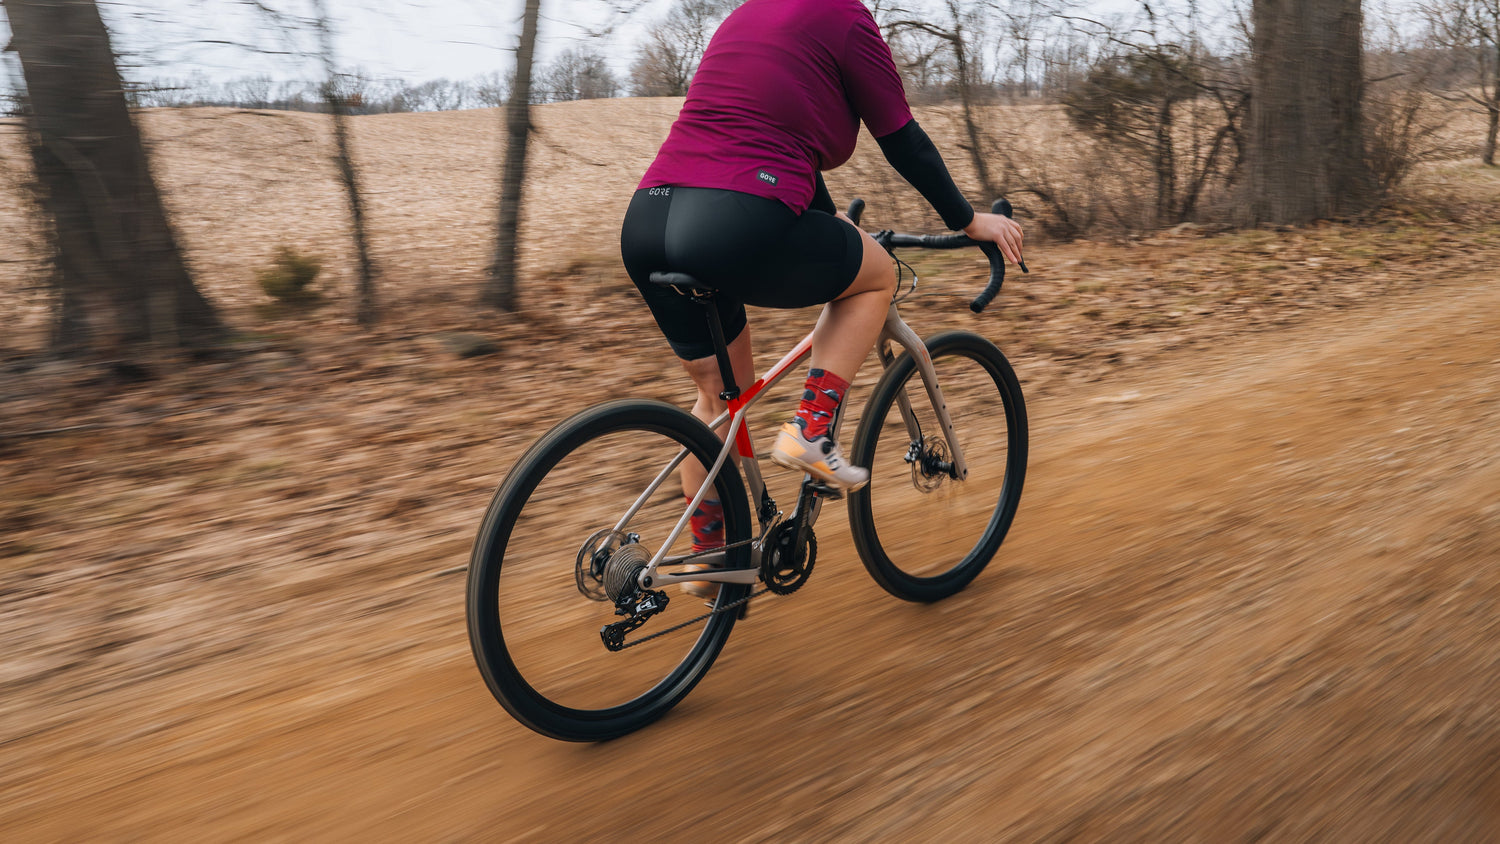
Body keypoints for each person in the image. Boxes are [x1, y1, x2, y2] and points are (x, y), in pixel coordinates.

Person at [619, 0, 1024, 590]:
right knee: (877, 276)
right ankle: (810, 430)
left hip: (649, 221)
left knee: (718, 400)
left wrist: (836, 225)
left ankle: (711, 557)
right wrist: (967, 221)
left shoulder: (747, 17)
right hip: (734, 218)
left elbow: (772, 135)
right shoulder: (846, 19)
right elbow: (903, 139)